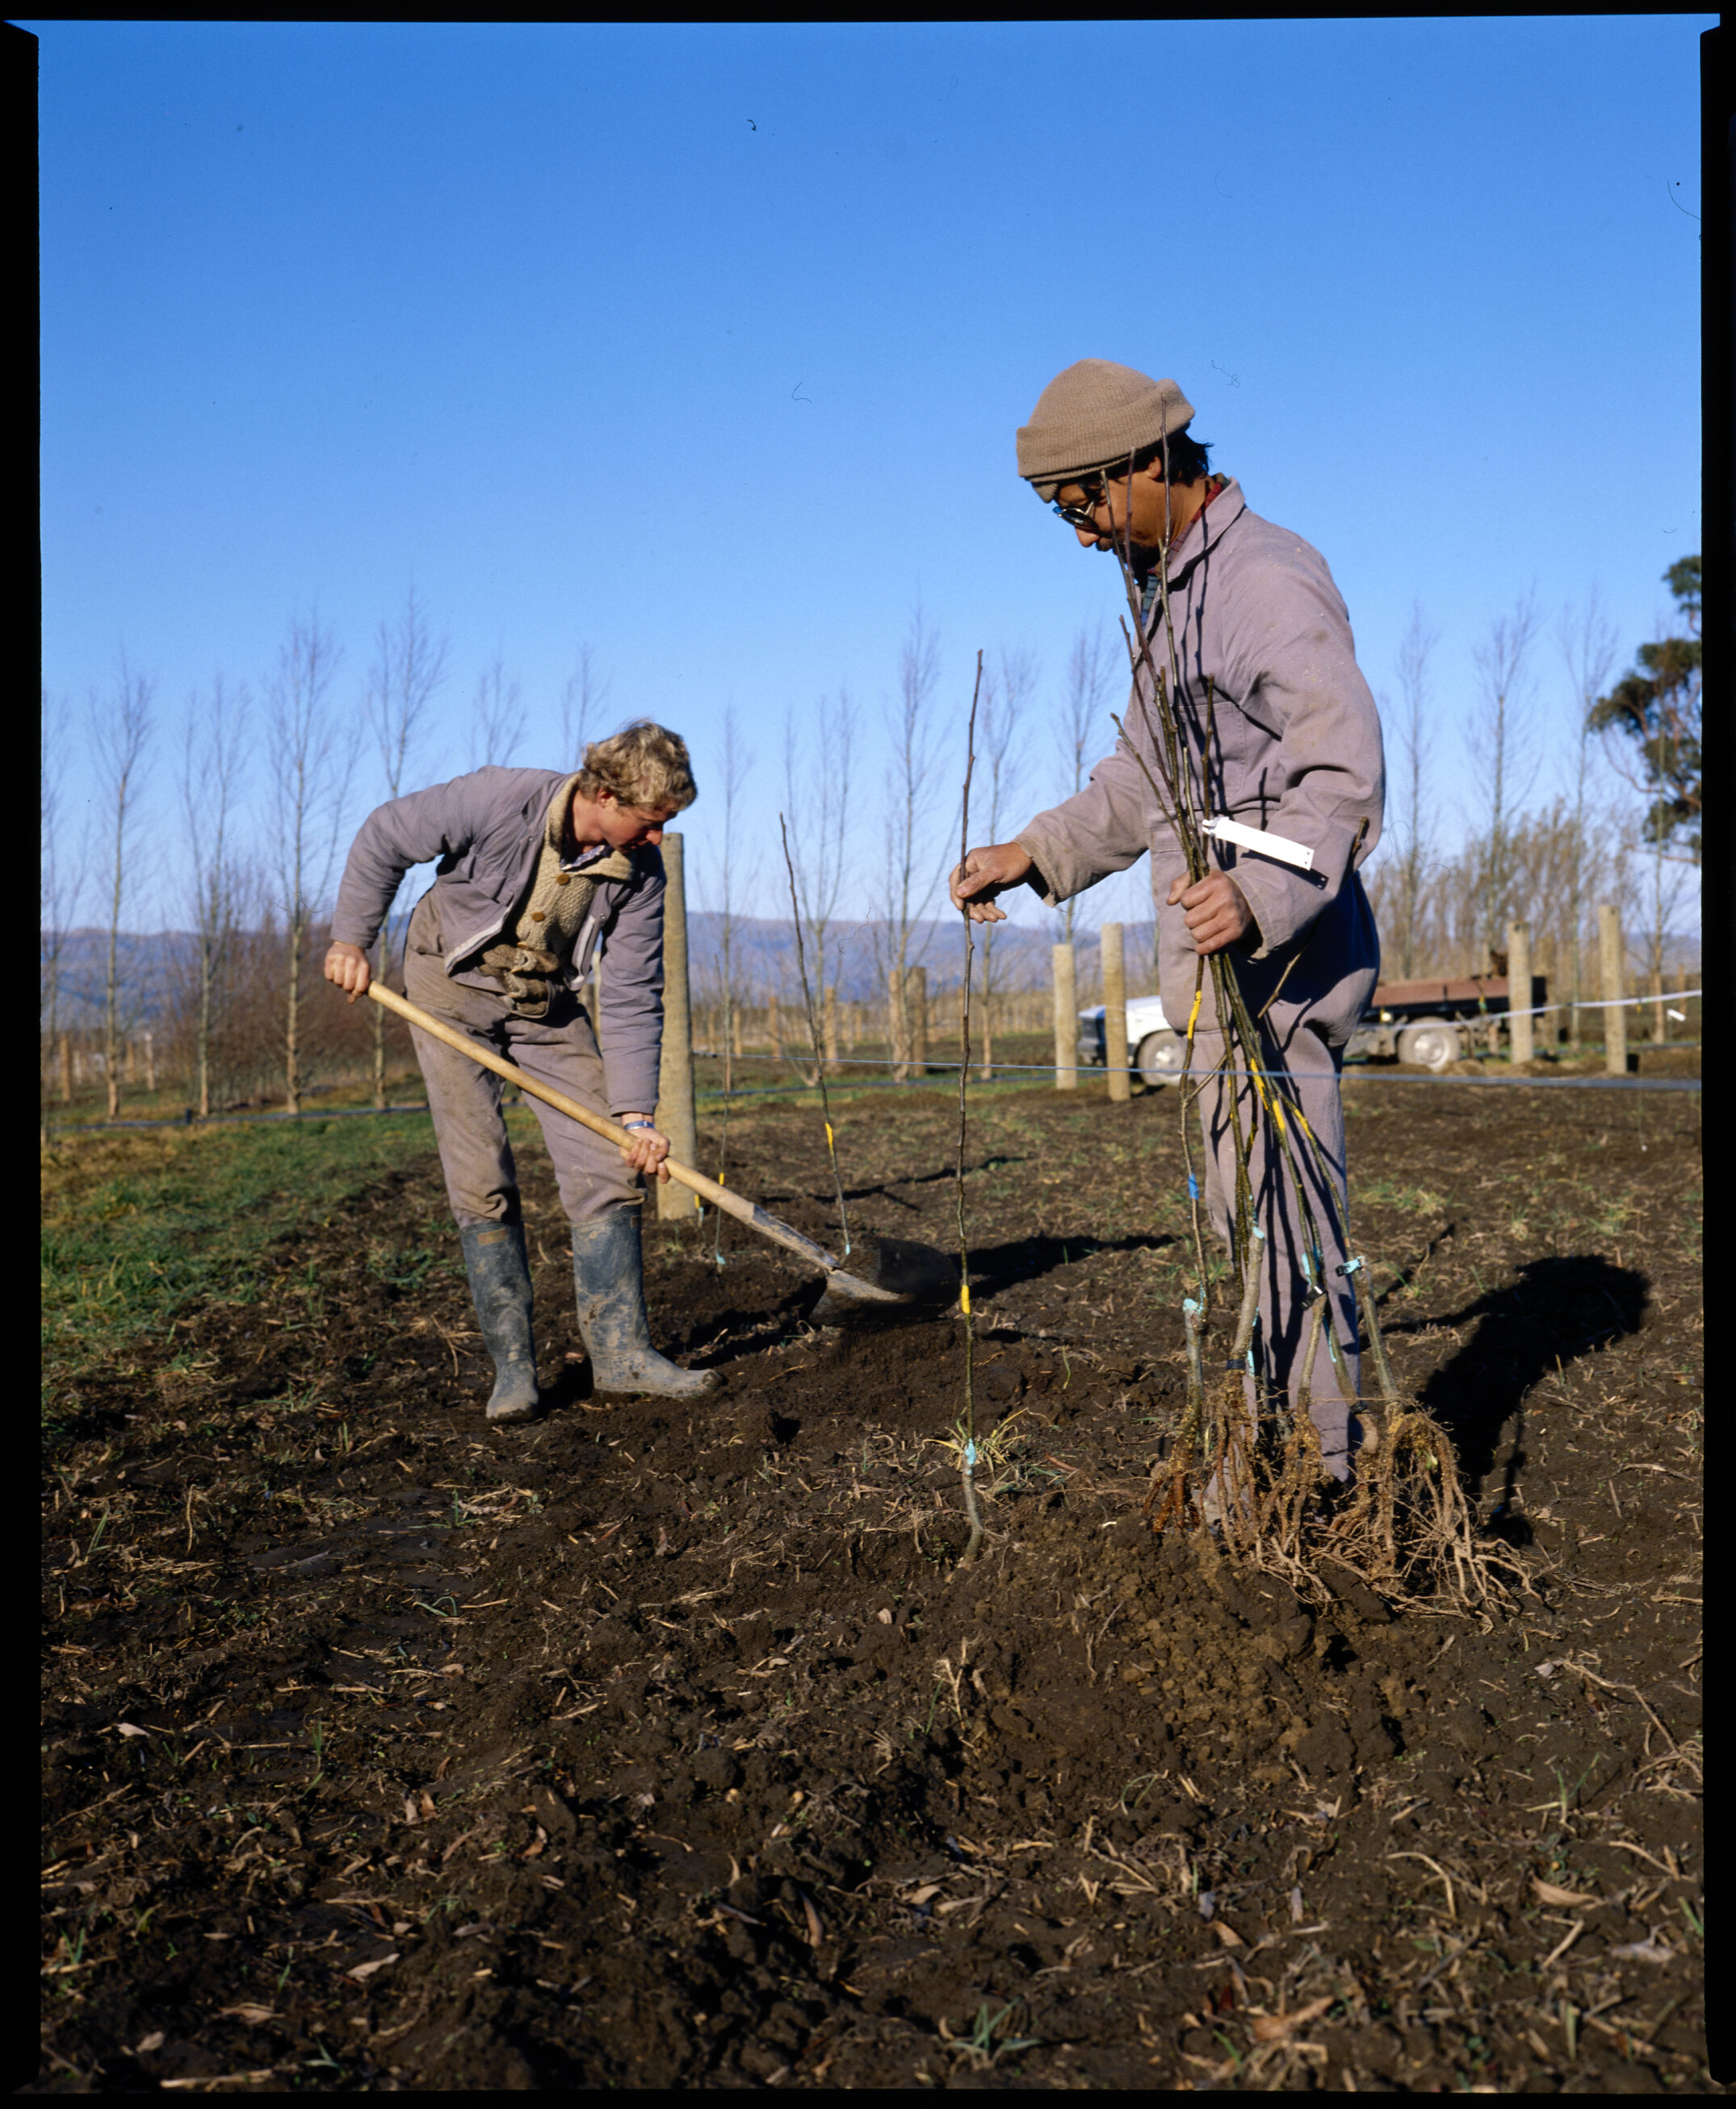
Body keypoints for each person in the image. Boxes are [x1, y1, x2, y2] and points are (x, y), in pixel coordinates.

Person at [950, 359, 1384, 1482]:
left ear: (1151, 465)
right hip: (1218, 980)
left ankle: (1324, 1481)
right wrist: (1032, 854)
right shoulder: (1171, 597)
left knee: (1287, 1230)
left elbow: (1340, 776)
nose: (1085, 534)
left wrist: (1258, 894)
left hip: (1277, 975)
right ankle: (1279, 1450)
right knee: (1252, 1228)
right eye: (1063, 516)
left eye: (1086, 503)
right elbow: (1140, 778)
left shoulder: (1260, 586)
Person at [325, 720, 719, 1423]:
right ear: (604, 794)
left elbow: (631, 992)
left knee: (606, 1162)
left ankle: (622, 1354)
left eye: (668, 824)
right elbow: (386, 833)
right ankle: (514, 1371)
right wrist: (352, 938)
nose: (657, 839)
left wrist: (634, 1114)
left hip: (545, 1003)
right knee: (481, 1177)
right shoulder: (499, 798)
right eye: (650, 822)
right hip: (448, 990)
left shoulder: (641, 875)